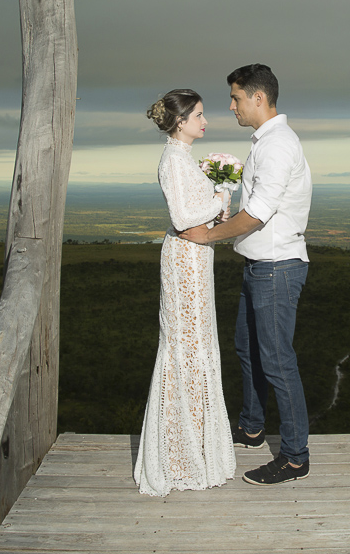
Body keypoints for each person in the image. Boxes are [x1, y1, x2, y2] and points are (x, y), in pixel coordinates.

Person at [181, 64, 313, 486]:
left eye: (236, 98)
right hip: (260, 266)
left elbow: (256, 215)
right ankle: (253, 429)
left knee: (277, 361)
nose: (232, 107)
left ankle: (295, 458)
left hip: (276, 267)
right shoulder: (267, 143)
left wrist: (208, 236)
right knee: (247, 349)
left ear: (259, 98)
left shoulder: (277, 146)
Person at [134, 89, 236, 497]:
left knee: (196, 346)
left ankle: (192, 448)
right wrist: (218, 200)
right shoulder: (174, 159)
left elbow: (195, 213)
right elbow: (182, 217)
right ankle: (179, 455)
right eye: (198, 115)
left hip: (197, 258)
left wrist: (216, 203)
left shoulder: (183, 157)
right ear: (179, 122)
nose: (204, 120)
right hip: (185, 261)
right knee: (185, 347)